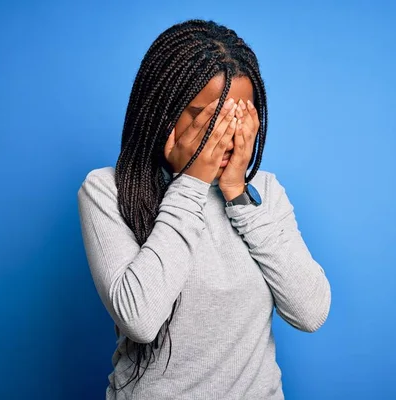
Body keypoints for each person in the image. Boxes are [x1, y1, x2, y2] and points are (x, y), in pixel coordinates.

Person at [77, 19, 331, 400]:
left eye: (238, 116)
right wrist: (191, 183)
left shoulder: (265, 192)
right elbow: (140, 320)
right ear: (162, 111)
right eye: (207, 117)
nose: (225, 134)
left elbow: (310, 312)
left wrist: (237, 193)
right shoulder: (108, 189)